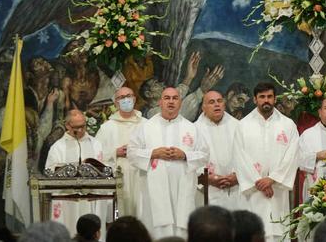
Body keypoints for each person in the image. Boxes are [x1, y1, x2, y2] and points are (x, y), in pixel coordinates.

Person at [128, 87, 208, 238]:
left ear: (180, 102)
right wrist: (153, 153)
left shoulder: (192, 128)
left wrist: (184, 155)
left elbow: (204, 155)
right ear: (160, 102)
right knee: (155, 228)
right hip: (153, 190)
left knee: (181, 226)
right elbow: (131, 153)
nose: (171, 102)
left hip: (182, 188)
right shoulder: (145, 127)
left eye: (175, 98)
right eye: (167, 98)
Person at [233, 83, 300, 238]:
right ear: (255, 100)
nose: (266, 100)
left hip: (276, 191)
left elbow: (292, 156)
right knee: (253, 233)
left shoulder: (288, 125)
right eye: (262, 97)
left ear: (275, 99)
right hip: (253, 192)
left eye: (269, 97)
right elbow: (239, 157)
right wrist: (259, 181)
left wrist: (272, 179)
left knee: (277, 232)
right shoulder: (243, 125)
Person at [46, 110, 109, 232]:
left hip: (91, 197)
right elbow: (50, 171)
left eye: (83, 126)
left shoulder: (95, 144)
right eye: (76, 127)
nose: (80, 130)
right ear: (67, 125)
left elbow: (105, 168)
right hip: (68, 199)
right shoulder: (58, 147)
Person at [96, 87, 145, 218]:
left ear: (134, 99)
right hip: (118, 176)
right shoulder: (107, 128)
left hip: (141, 177)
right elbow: (96, 155)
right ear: (116, 103)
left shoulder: (146, 125)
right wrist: (115, 152)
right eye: (121, 98)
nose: (126, 100)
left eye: (129, 96)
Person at [195, 91, 242, 209]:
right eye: (211, 102)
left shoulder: (239, 127)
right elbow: (189, 161)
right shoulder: (193, 130)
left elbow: (249, 156)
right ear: (203, 107)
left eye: (219, 101)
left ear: (224, 105)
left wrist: (237, 176)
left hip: (236, 187)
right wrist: (207, 178)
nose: (216, 105)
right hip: (207, 189)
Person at [298, 97, 326, 189]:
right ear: (319, 112)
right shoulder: (307, 135)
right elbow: (298, 161)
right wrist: (317, 156)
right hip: (315, 188)